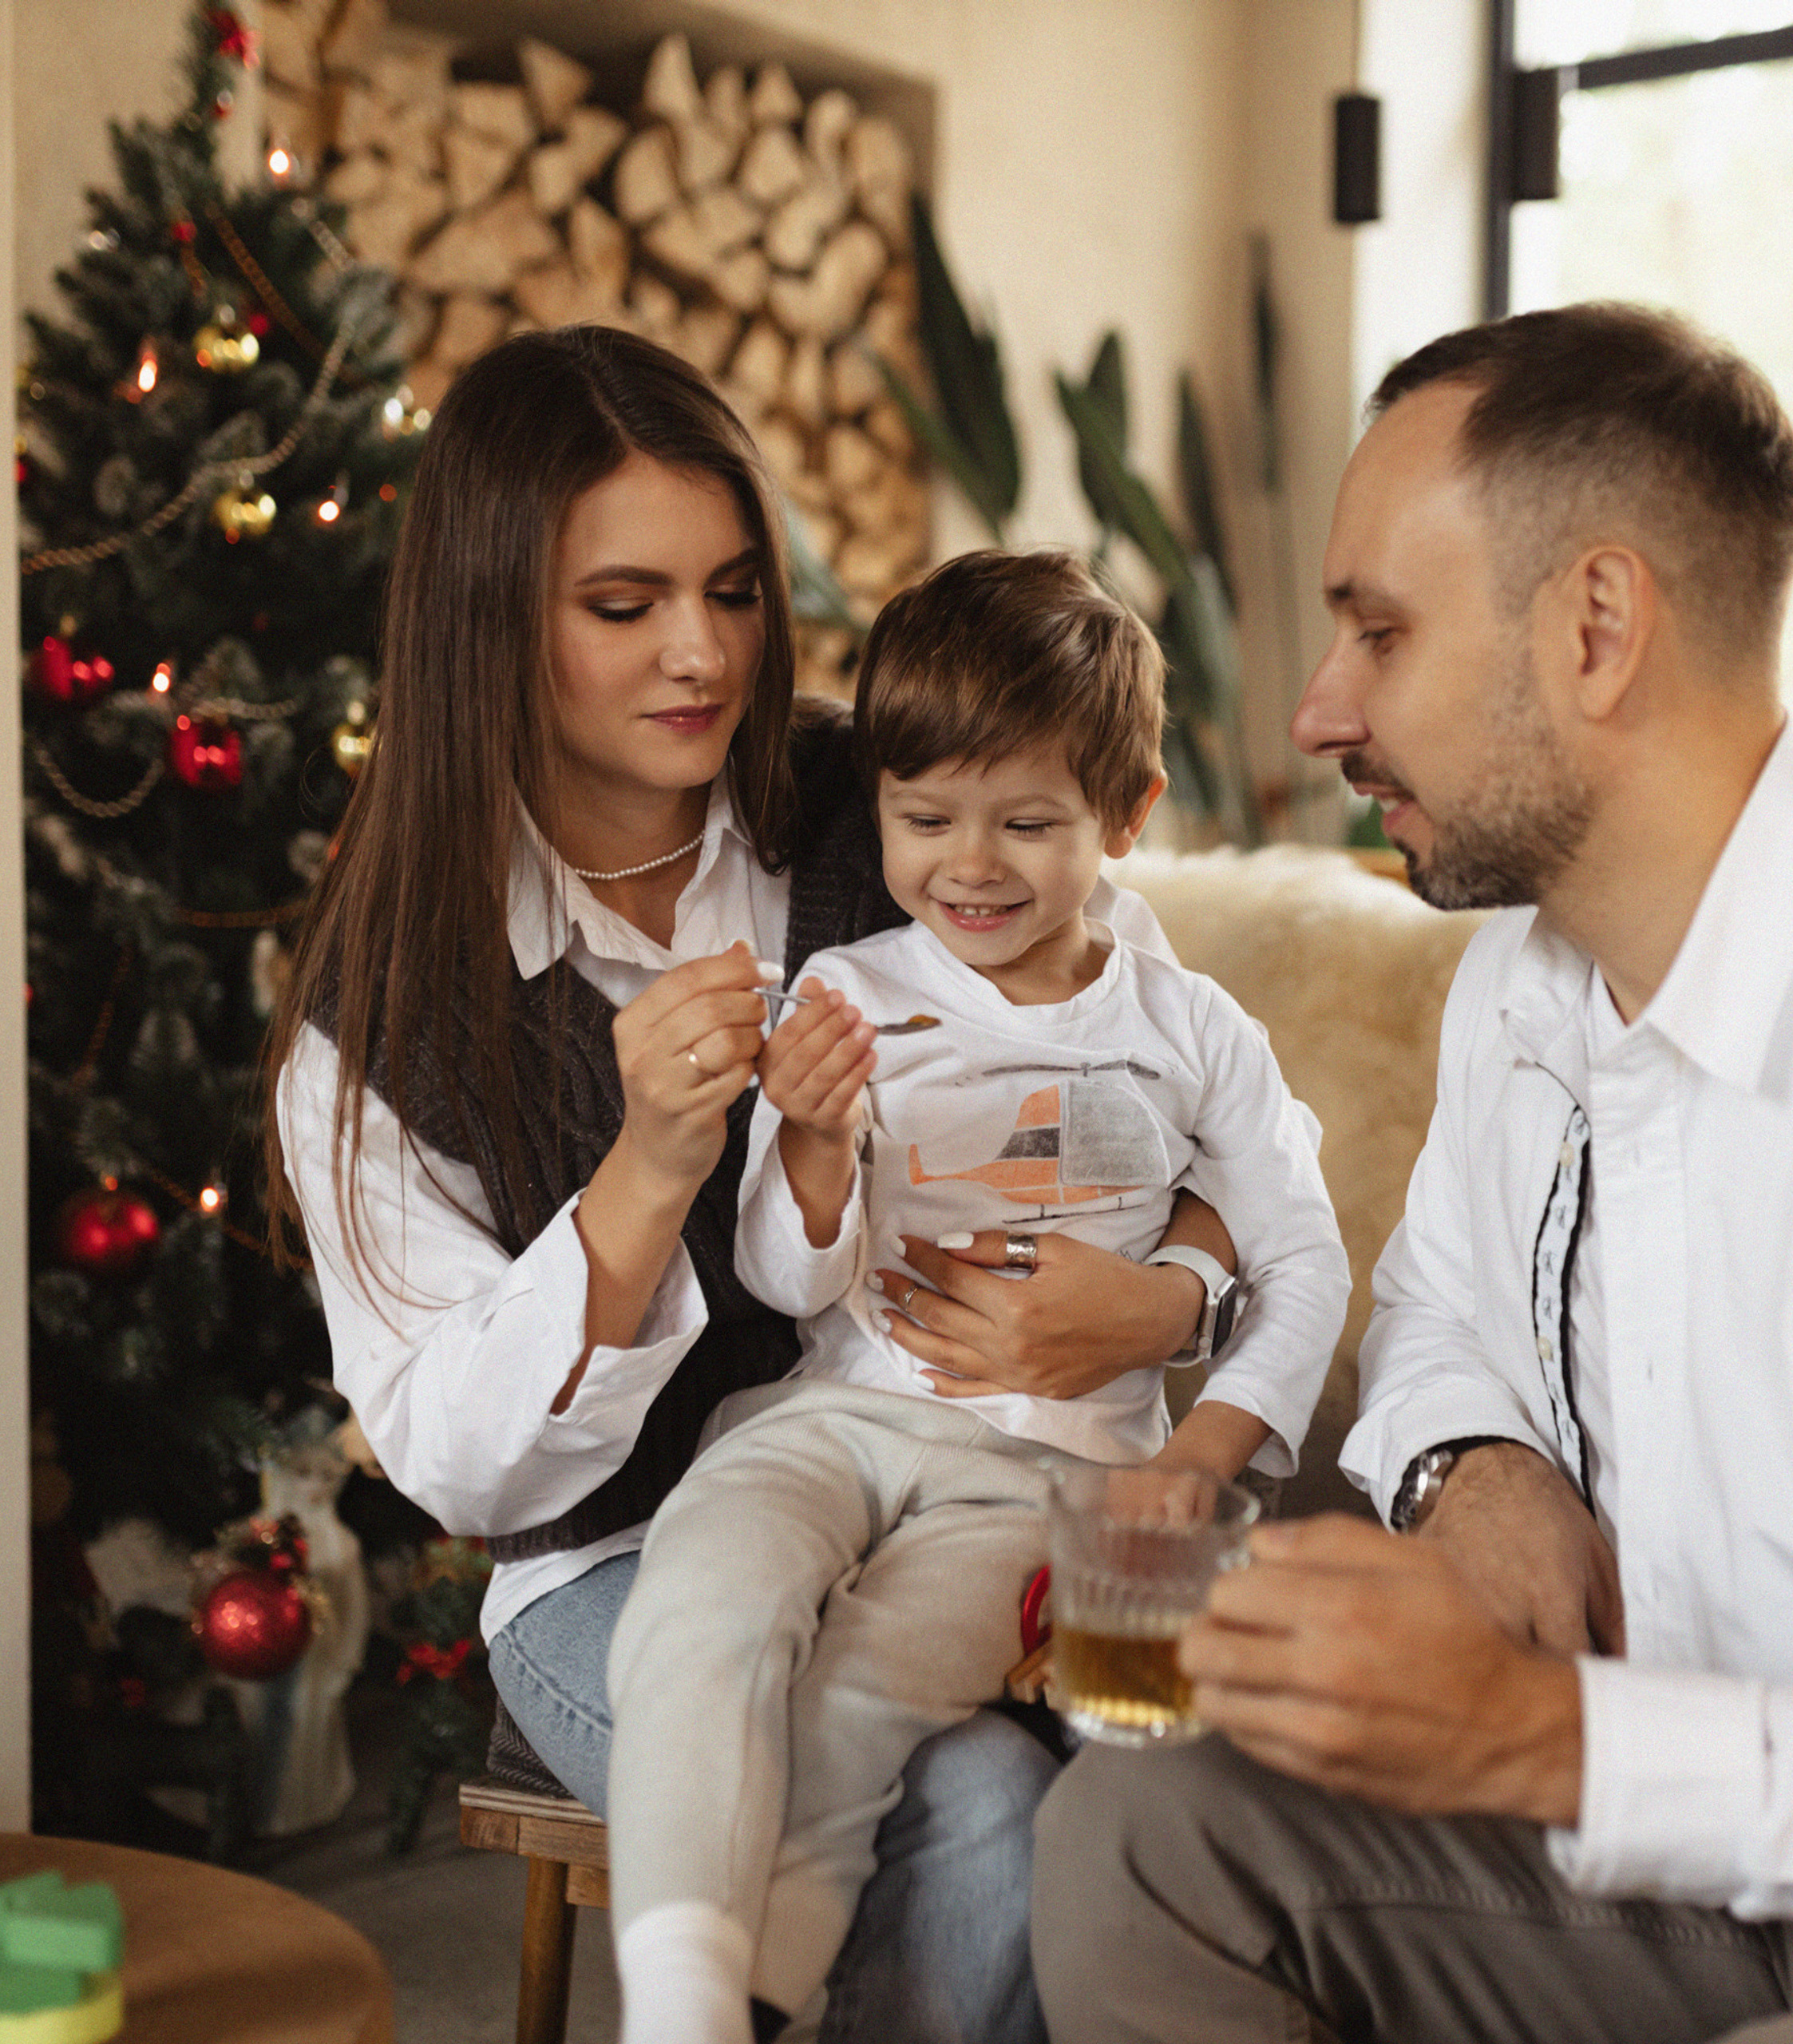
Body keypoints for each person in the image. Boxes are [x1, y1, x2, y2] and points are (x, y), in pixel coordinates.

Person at [1031, 302, 1793, 2042]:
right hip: (1662, 1871)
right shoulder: (1521, 979)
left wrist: (1546, 1736)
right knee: (1132, 1833)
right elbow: (1435, 1310)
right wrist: (1470, 1461)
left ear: (1592, 626)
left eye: (1377, 629)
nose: (1315, 705)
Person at [259, 326, 1234, 2044]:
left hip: (961, 1490)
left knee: (1134, 1774)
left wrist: (1172, 1294)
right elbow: (458, 1464)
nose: (700, 654)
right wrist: (648, 1169)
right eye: (622, 605)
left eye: (729, 588)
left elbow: (1160, 1061)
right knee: (977, 1819)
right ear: (494, 616)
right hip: (617, 1567)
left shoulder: (891, 803)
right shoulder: (387, 996)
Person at [605, 549, 1351, 2044]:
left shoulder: (1189, 1028)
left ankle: (746, 1998)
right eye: (924, 818)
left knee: (869, 1686)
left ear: (1127, 818)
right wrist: (812, 1144)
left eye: (1028, 824)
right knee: (705, 1593)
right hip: (837, 1418)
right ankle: (673, 1996)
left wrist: (1197, 1467)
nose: (972, 866)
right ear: (878, 803)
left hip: (1042, 1479)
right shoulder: (849, 992)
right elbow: (781, 1275)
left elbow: (1307, 1255)